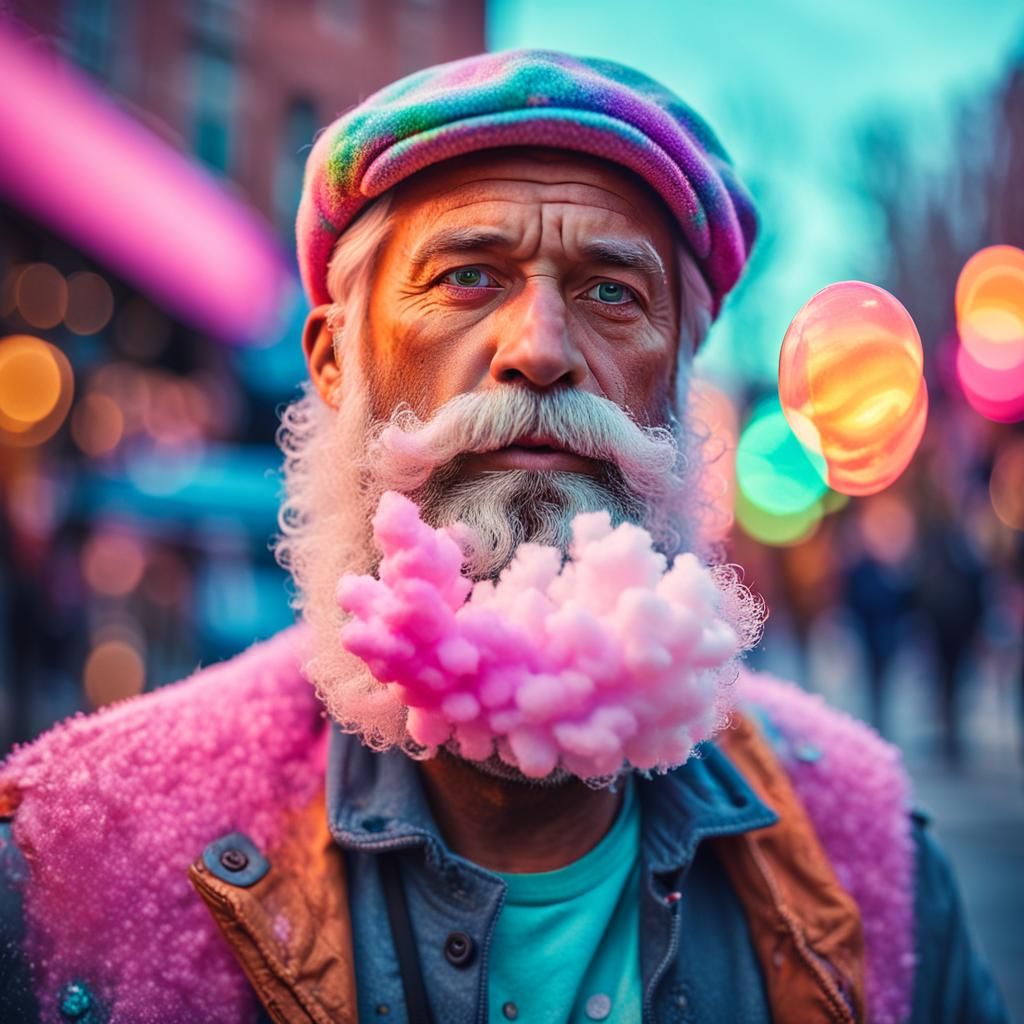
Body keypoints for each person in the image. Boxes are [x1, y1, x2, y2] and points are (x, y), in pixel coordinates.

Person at [0, 50, 1007, 1024]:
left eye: (612, 292)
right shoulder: (77, 850)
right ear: (335, 362)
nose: (540, 350)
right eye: (467, 277)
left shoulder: (866, 853)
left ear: (676, 390)